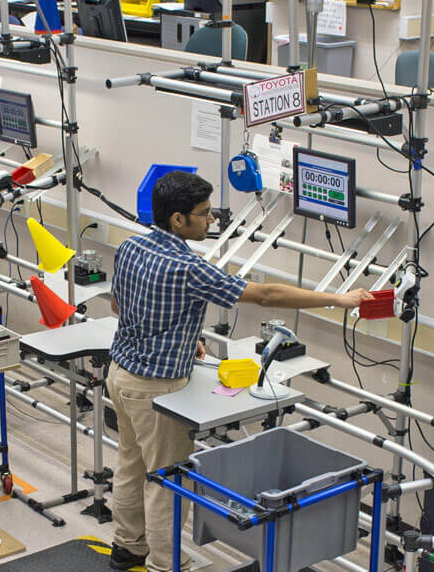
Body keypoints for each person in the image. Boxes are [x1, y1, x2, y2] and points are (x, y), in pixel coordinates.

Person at [106, 170, 373, 572]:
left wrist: (179, 334)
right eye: (204, 213)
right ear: (178, 219)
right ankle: (165, 565)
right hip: (155, 392)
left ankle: (127, 548)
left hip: (121, 373)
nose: (212, 220)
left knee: (131, 464)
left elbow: (119, 307)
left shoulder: (130, 247)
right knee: (168, 481)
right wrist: (339, 298)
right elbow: (265, 295)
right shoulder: (187, 267)